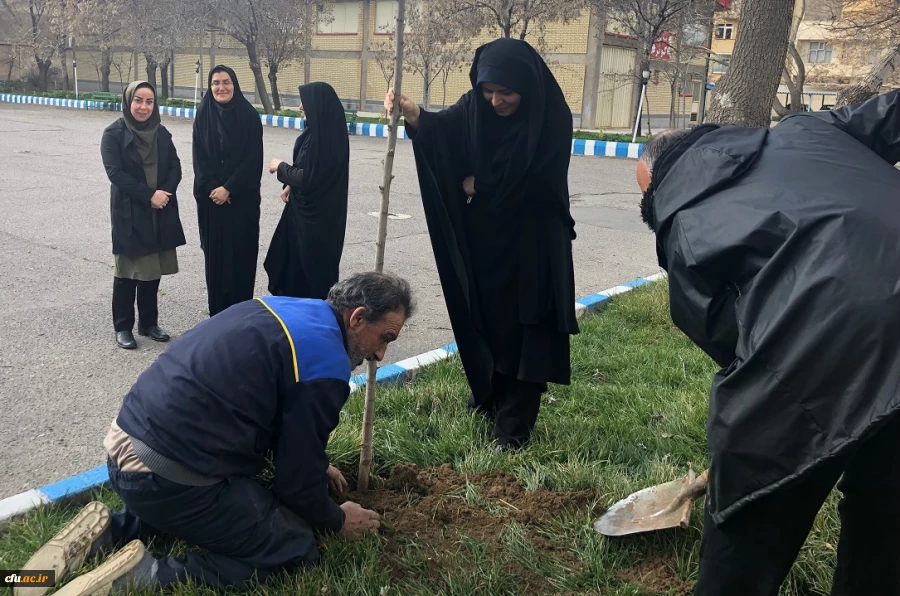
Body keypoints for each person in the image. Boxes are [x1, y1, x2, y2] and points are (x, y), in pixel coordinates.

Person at [635, 91, 900, 595]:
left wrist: (742, 451)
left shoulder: (685, 229)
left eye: (646, 199)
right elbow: (891, 113)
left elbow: (735, 345)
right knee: (888, 501)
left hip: (824, 344)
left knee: (750, 510)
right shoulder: (810, 130)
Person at [17, 272, 415, 596]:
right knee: (292, 544)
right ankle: (144, 575)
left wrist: (316, 461)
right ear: (357, 318)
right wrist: (335, 520)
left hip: (128, 448)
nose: (380, 355)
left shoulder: (289, 310)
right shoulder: (324, 364)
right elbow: (295, 484)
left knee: (198, 506)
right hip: (165, 475)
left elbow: (269, 406)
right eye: (386, 339)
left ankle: (88, 543)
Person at [384, 38, 579, 450]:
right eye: (488, 90)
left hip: (534, 242)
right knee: (491, 318)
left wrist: (483, 184)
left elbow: (540, 180)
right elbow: (448, 127)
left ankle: (514, 425)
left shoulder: (552, 116)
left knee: (528, 325)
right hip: (489, 241)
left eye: (505, 92)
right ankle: (491, 396)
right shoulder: (475, 104)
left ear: (525, 87)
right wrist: (415, 114)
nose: (494, 101)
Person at [100, 80, 186, 350]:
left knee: (153, 267)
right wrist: (149, 195)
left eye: (149, 101)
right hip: (131, 209)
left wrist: (164, 194)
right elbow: (115, 173)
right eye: (138, 100)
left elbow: (175, 166)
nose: (143, 106)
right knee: (128, 270)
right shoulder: (113, 133)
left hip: (160, 208)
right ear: (128, 101)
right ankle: (123, 326)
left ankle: (149, 323)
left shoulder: (161, 133)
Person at [264, 81, 349, 299]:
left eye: (305, 102)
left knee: (312, 275)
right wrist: (291, 184)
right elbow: (309, 169)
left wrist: (280, 167)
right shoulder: (316, 132)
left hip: (317, 224)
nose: (301, 107)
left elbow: (311, 178)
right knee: (291, 268)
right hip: (301, 216)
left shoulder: (328, 138)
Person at [192, 65, 264, 317]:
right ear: (209, 87)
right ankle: (217, 318)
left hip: (241, 204)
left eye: (226, 82)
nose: (220, 87)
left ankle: (239, 319)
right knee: (216, 262)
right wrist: (214, 188)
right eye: (215, 83)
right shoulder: (203, 114)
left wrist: (229, 188)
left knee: (241, 260)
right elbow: (199, 158)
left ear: (235, 84)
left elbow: (252, 160)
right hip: (212, 203)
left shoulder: (248, 116)